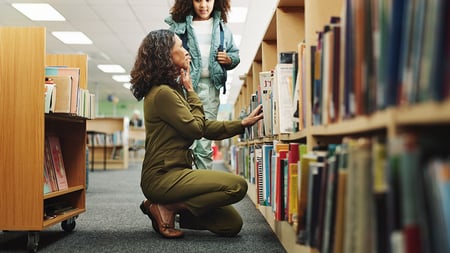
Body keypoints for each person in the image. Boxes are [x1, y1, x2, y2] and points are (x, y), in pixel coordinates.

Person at [129, 29, 263, 239]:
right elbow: (196, 129)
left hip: (179, 173)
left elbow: (204, 127)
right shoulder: (163, 93)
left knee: (231, 225)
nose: (186, 51)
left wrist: (242, 124)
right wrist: (192, 92)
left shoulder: (172, 91)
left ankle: (167, 208)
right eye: (179, 46)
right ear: (166, 55)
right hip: (162, 178)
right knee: (237, 186)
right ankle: (168, 206)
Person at [165, 0, 240, 170]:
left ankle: (202, 182)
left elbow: (235, 54)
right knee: (184, 137)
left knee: (205, 138)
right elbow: (167, 54)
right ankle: (184, 181)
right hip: (184, 87)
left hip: (211, 88)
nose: (203, 5)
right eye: (198, 0)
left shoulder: (222, 29)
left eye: (208, 0)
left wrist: (229, 59)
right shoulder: (179, 27)